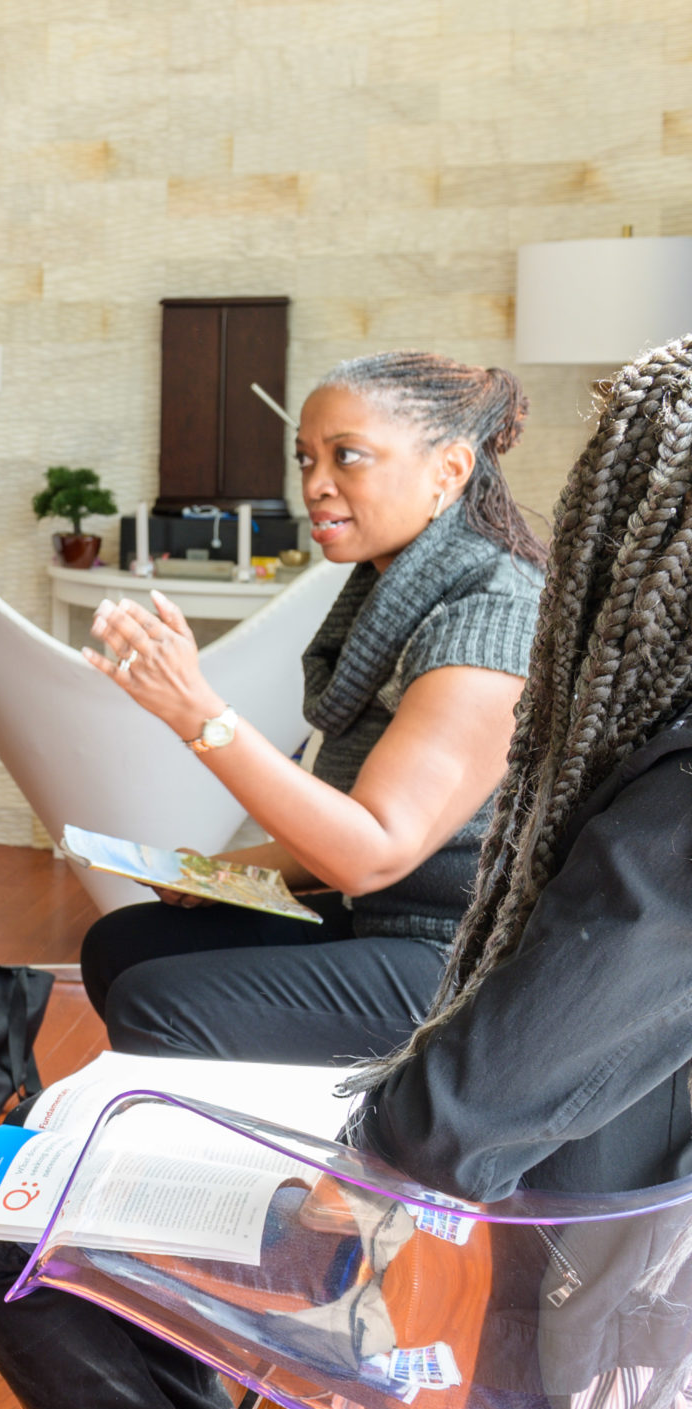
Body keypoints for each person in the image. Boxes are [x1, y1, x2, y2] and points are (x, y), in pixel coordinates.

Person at [0, 336, 692, 1409]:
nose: (321, 483)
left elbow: (452, 1100)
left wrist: (323, 1186)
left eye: (613, 505)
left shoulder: (563, 686)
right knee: (131, 973)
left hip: (510, 1291)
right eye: (311, 455)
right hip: (576, 1251)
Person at [77, 352, 546, 1066]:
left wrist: (198, 713)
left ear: (449, 470)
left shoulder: (491, 618)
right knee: (122, 945)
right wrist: (214, 874)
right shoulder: (393, 589)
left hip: (461, 953)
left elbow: (372, 850)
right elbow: (347, 831)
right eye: (305, 458)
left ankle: (292, 1171)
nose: (314, 486)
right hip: (387, 915)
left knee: (158, 1001)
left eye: (347, 457)